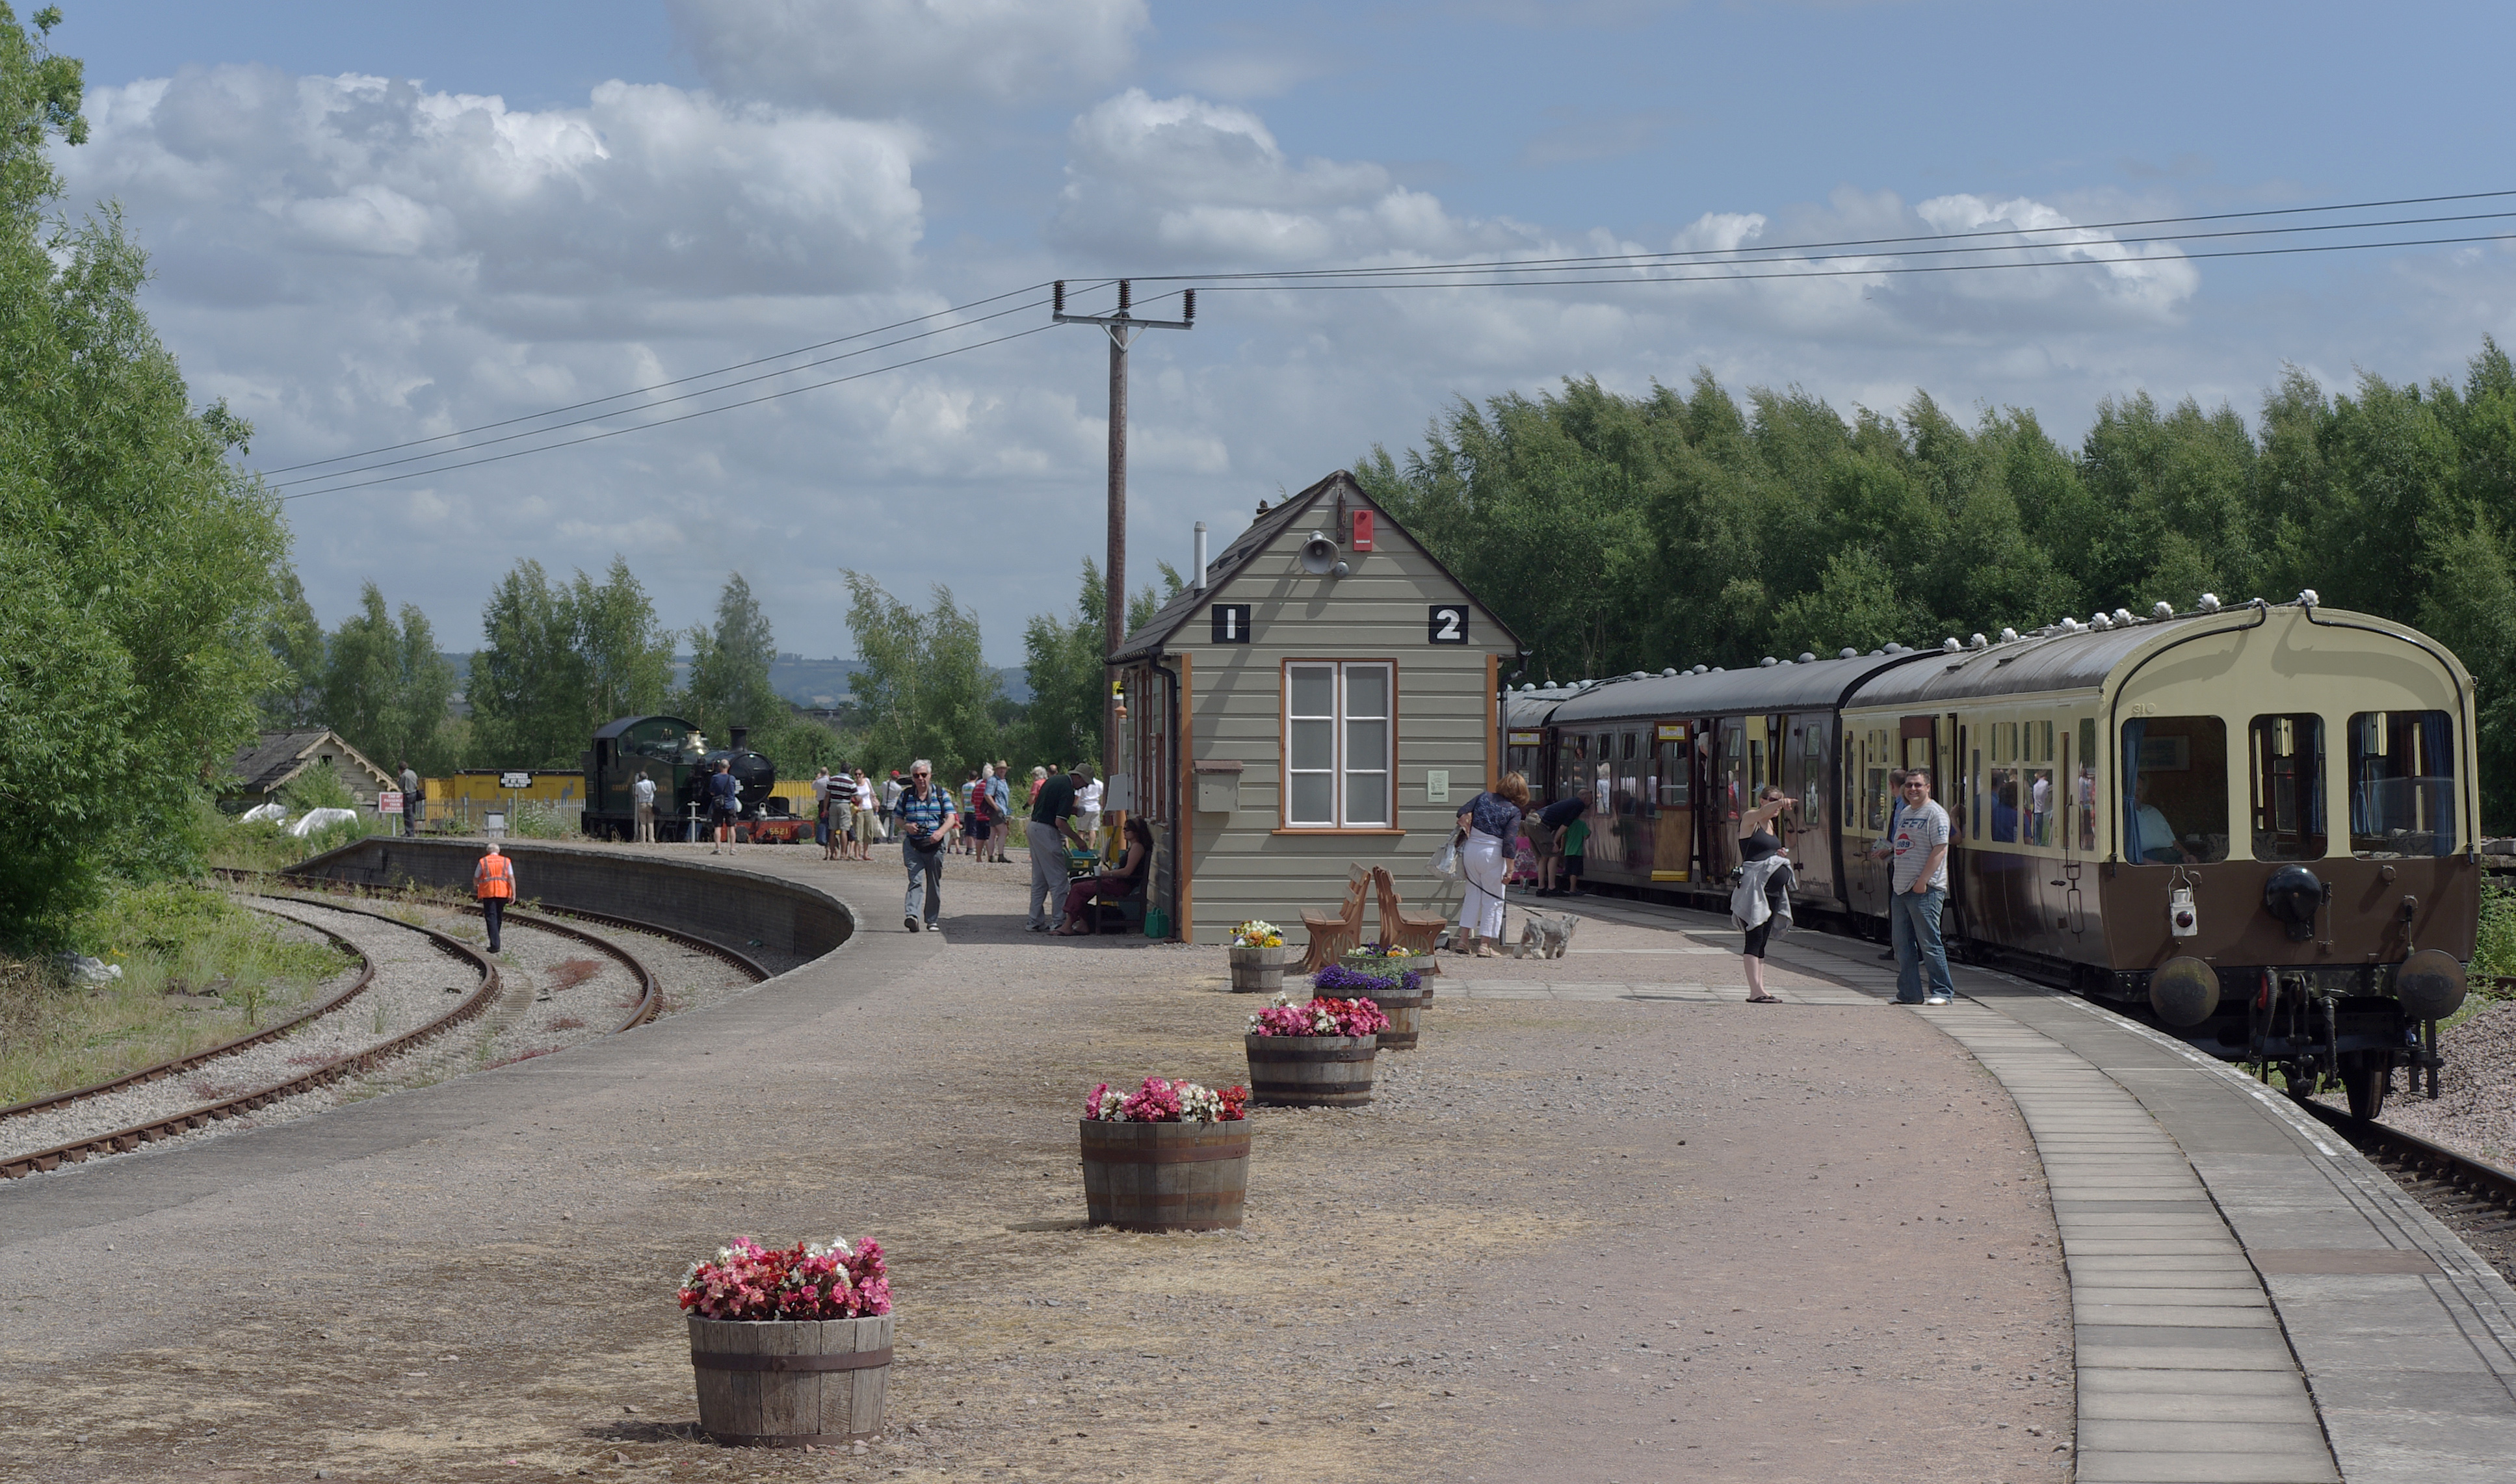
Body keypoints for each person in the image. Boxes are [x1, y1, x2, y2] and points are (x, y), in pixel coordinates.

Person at [1868, 771, 1954, 1006]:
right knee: (1902, 944)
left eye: (1918, 785)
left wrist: (1923, 881)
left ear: (1928, 787)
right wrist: (1890, 850)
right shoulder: (1906, 813)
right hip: (1901, 888)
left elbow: (1940, 850)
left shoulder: (1936, 814)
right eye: (1909, 785)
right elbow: (1905, 843)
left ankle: (1942, 992)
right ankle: (1909, 993)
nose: (1912, 789)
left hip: (1925, 889)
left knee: (1929, 943)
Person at [1453, 772, 1530, 957]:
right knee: (1493, 899)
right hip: (1492, 854)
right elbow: (1509, 842)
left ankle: (1463, 941)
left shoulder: (1483, 797)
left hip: (1471, 851)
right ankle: (1484, 945)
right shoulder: (1513, 811)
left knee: (1472, 895)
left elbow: (1460, 812)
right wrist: (1510, 869)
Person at [1733, 785, 1798, 1002]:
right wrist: (1781, 803)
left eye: (1778, 800)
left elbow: (1766, 851)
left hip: (1772, 890)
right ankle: (1754, 991)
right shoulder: (1751, 818)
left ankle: (1761, 988)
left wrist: (1778, 853)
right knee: (1754, 937)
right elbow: (1761, 815)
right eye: (1771, 800)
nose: (1777, 804)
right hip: (1755, 889)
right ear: (1761, 800)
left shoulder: (1771, 825)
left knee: (1762, 941)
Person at [1054, 817, 1155, 935]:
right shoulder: (1133, 846)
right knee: (1078, 884)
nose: (1124, 831)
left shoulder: (1137, 847)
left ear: (1137, 831)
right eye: (1124, 829)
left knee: (1078, 889)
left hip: (1122, 885)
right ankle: (1083, 923)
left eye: (1128, 829)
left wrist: (1106, 874)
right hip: (1118, 881)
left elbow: (1127, 872)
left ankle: (1068, 925)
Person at [895, 759, 957, 933]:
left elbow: (951, 818)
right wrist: (906, 826)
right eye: (916, 776)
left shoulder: (940, 793)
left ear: (930, 775)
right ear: (913, 778)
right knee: (915, 880)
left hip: (934, 846)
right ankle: (912, 916)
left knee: (933, 883)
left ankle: (931, 920)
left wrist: (940, 833)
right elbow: (898, 818)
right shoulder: (906, 795)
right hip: (913, 846)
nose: (921, 778)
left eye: (924, 775)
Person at [1027, 766, 1092, 931]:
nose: (1084, 787)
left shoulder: (1054, 781)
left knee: (1040, 879)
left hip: (1034, 827)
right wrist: (1078, 840)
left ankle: (1034, 921)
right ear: (1077, 777)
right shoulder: (1068, 789)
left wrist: (1073, 810)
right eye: (1084, 782)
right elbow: (1060, 822)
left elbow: (1051, 804)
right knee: (1059, 881)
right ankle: (1059, 922)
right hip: (1047, 831)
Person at [1529, 794, 1585, 896]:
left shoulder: (1565, 805)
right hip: (1539, 823)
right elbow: (1565, 826)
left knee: (1544, 856)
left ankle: (1541, 888)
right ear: (1585, 798)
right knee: (1554, 854)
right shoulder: (1579, 805)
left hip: (1530, 820)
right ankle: (1551, 887)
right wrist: (1554, 842)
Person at [2132, 775, 2195, 863]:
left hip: (2171, 855)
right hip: (2146, 859)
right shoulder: (2121, 817)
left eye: (2139, 790)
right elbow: (2123, 853)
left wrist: (2187, 855)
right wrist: (2146, 862)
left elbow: (2175, 843)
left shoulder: (2153, 811)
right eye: (2133, 789)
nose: (2137, 794)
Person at [473, 840, 514, 954]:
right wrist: (514, 893)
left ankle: (495, 945)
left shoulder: (483, 861)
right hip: (503, 892)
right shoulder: (506, 861)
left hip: (488, 892)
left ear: (488, 852)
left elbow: (476, 876)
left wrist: (476, 886)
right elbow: (511, 877)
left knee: (491, 917)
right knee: (499, 916)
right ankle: (495, 940)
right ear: (498, 851)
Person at [707, 758, 742, 855]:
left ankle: (718, 848)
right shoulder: (732, 778)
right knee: (731, 827)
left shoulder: (715, 778)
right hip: (730, 805)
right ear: (729, 767)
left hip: (718, 805)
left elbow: (712, 792)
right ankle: (732, 849)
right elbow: (734, 790)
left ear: (719, 767)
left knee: (717, 827)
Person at [989, 763, 1015, 862]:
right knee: (1004, 831)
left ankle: (991, 856)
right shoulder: (993, 780)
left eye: (1004, 769)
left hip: (1001, 810)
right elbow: (988, 795)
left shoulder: (1004, 781)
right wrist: (996, 808)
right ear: (996, 770)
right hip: (997, 810)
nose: (1002, 771)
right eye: (1000, 769)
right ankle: (1000, 855)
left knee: (993, 832)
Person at [852, 768, 877, 860]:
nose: (858, 776)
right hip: (858, 810)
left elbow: (872, 793)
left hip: (869, 808)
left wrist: (875, 802)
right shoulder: (853, 785)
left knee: (868, 831)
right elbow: (852, 797)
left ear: (863, 774)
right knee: (858, 831)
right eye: (856, 774)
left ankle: (866, 853)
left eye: (860, 774)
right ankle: (857, 854)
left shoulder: (867, 782)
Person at [1075, 771, 1105, 844]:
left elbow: (1077, 797)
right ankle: (1091, 847)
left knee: (1081, 830)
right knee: (1093, 829)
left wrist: (1073, 806)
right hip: (1095, 808)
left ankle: (1081, 847)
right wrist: (1102, 805)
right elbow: (1103, 795)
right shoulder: (1099, 783)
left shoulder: (1082, 783)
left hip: (1084, 808)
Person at [812, 766, 835, 856]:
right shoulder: (830, 780)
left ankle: (827, 849)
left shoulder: (819, 781)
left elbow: (813, 787)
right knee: (831, 826)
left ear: (820, 773)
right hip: (831, 803)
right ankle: (834, 850)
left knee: (824, 824)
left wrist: (817, 778)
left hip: (822, 804)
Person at [632, 768, 657, 844]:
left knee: (643, 823)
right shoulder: (651, 783)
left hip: (642, 804)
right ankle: (651, 839)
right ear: (647, 776)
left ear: (640, 778)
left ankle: (643, 840)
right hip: (650, 803)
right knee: (651, 822)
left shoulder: (638, 785)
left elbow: (636, 794)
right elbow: (655, 790)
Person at [397, 761, 422, 837]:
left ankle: (409, 832)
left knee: (408, 814)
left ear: (400, 769)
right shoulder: (413, 773)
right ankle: (412, 832)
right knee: (412, 813)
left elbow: (400, 785)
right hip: (414, 794)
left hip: (408, 795)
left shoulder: (404, 775)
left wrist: (399, 776)